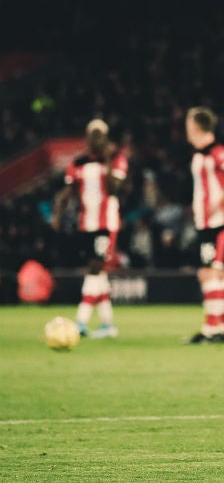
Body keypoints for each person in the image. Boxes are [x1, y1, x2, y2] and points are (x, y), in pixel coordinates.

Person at [51, 119, 127, 338]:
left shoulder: (117, 160)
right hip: (86, 223)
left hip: (107, 223)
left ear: (105, 138)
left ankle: (80, 322)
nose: (95, 139)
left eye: (99, 135)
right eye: (92, 134)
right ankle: (107, 325)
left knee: (94, 268)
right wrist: (58, 215)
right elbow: (67, 191)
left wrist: (109, 161)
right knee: (98, 274)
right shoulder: (78, 163)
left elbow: (114, 189)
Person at [182, 106, 224, 344]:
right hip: (207, 222)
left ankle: (211, 330)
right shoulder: (201, 154)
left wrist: (218, 202)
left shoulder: (216, 152)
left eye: (188, 125)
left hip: (215, 223)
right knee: (217, 273)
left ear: (196, 126)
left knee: (208, 273)